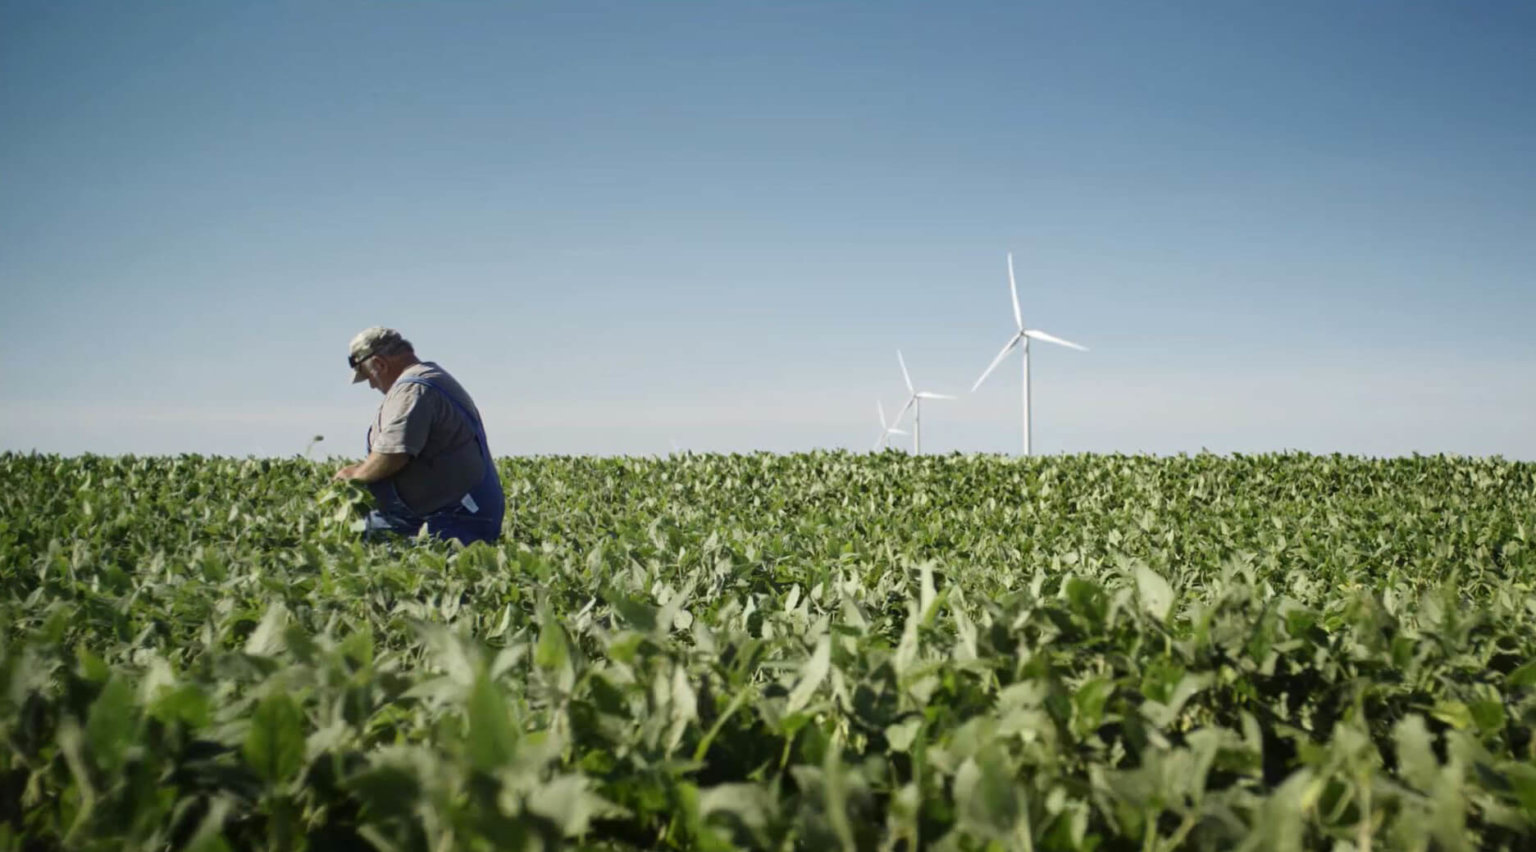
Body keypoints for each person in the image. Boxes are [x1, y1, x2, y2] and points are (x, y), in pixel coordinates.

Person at [333, 327, 505, 546]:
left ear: (379, 364)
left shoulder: (413, 389)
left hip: (449, 523)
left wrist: (355, 476)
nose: (372, 385)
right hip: (452, 516)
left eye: (368, 376)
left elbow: (394, 454)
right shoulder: (429, 378)